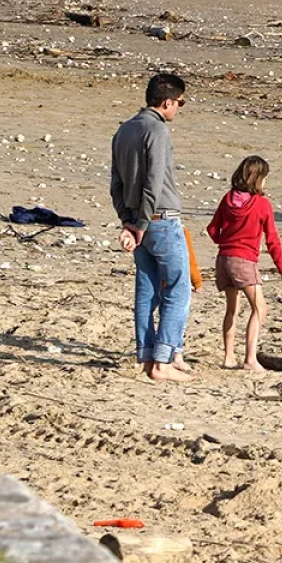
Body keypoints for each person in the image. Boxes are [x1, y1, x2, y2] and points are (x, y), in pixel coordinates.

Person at [111, 73, 193, 382]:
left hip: (138, 219)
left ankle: (147, 355)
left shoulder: (124, 129)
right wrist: (141, 224)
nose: (179, 109)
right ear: (168, 102)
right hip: (159, 220)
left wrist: (128, 221)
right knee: (178, 287)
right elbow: (154, 182)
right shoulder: (156, 130)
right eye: (180, 103)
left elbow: (116, 184)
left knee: (146, 289)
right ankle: (163, 361)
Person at [208, 155, 282, 371]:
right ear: (258, 179)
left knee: (232, 309)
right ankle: (250, 359)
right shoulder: (262, 204)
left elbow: (212, 229)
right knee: (260, 308)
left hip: (223, 258)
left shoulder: (227, 199)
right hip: (243, 260)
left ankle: (228, 357)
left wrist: (225, 241)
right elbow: (272, 239)